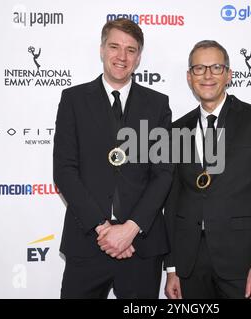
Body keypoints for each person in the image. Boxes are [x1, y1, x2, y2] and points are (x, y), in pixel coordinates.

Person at [53, 18, 173, 299]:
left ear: (139, 56)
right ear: (102, 49)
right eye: (115, 47)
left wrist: (130, 229)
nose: (122, 56)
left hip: (141, 246)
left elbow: (164, 173)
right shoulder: (73, 100)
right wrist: (103, 228)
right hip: (87, 242)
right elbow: (64, 170)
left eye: (131, 50)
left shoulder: (158, 105)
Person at [164, 40, 251, 299]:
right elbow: (172, 203)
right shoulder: (176, 130)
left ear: (228, 74)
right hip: (188, 264)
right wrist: (172, 267)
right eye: (199, 68)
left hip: (241, 261)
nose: (207, 75)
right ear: (189, 76)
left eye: (216, 67)